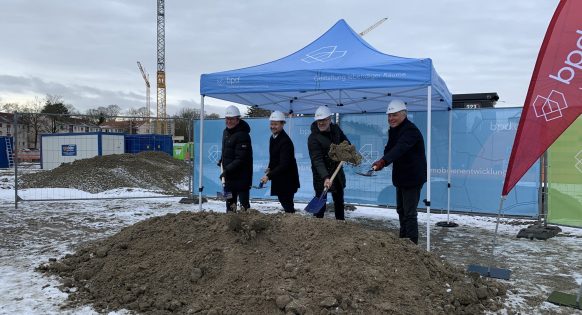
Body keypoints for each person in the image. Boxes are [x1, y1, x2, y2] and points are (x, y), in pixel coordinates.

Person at [371, 99, 427, 244]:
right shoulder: (394, 130)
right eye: (389, 116)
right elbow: (390, 149)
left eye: (394, 115)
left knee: (409, 214)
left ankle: (412, 246)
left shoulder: (410, 131)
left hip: (413, 178)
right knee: (401, 210)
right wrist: (383, 160)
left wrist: (383, 161)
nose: (391, 119)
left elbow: (400, 148)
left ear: (404, 114)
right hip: (401, 177)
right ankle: (403, 242)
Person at [308, 106, 350, 220]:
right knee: (320, 202)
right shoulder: (313, 138)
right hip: (321, 175)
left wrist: (347, 150)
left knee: (339, 201)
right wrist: (325, 177)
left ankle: (340, 224)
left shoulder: (336, 129)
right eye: (319, 121)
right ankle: (317, 226)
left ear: (329, 119)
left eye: (324, 120)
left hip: (337, 172)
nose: (321, 123)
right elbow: (317, 160)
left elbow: (346, 142)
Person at [260, 111, 300, 213]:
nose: (273, 126)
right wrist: (270, 167)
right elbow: (274, 157)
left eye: (276, 124)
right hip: (280, 177)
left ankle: (292, 223)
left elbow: (284, 164)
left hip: (288, 179)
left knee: (287, 204)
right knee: (283, 201)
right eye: (272, 124)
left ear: (282, 124)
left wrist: (269, 175)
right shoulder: (273, 138)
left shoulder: (285, 142)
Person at [219, 105, 253, 212]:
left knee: (244, 207)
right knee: (229, 205)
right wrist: (222, 160)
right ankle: (230, 224)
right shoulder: (226, 132)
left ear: (238, 120)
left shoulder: (243, 135)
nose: (229, 121)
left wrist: (226, 170)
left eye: (232, 119)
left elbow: (241, 159)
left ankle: (247, 227)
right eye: (227, 119)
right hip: (228, 179)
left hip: (242, 179)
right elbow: (227, 150)